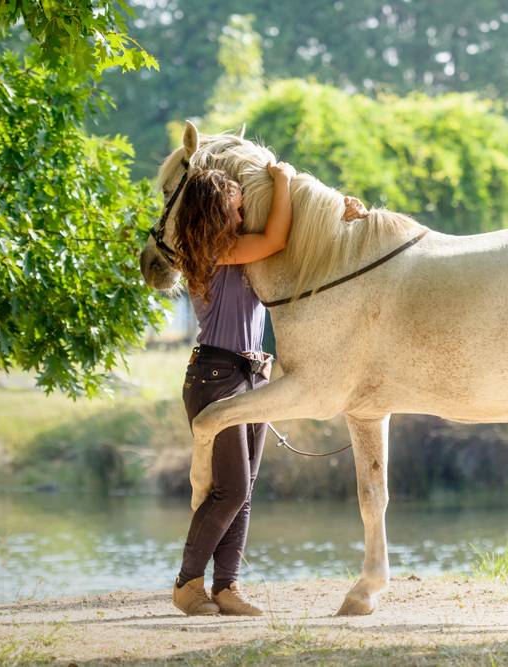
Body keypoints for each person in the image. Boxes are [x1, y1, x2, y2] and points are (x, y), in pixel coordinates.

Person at [169, 161, 368, 616]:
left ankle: (226, 587)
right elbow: (276, 237)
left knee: (243, 488)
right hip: (217, 375)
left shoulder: (241, 251)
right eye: (237, 211)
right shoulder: (212, 251)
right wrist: (282, 181)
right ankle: (187, 583)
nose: (242, 219)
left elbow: (292, 246)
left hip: (252, 373)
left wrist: (341, 215)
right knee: (231, 489)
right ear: (216, 214)